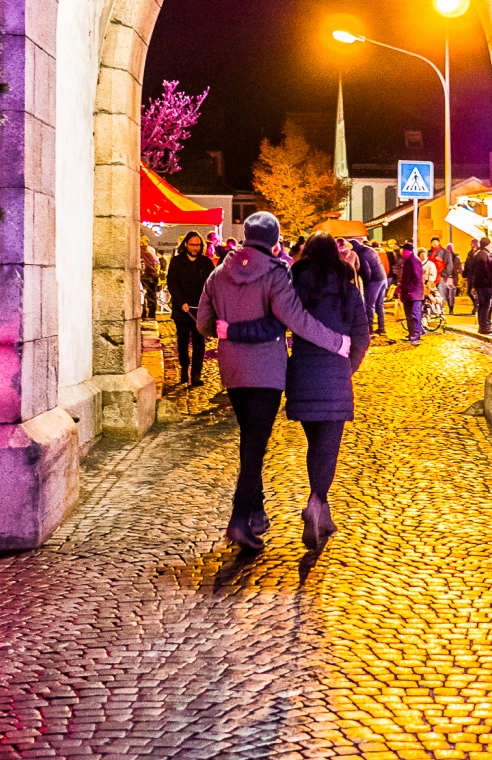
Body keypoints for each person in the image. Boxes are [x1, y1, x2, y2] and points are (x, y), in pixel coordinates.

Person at [196, 212, 350, 552]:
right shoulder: (276, 274)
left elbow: (204, 324)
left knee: (250, 439)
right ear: (274, 239)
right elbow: (296, 319)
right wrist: (336, 342)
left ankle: (256, 510)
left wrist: (229, 328)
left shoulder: (217, 274)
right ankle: (239, 518)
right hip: (267, 371)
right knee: (255, 445)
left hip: (232, 370)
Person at [285, 234, 370, 549]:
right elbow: (362, 335)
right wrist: (348, 367)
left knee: (315, 444)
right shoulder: (348, 289)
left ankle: (324, 511)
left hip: (303, 372)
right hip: (335, 374)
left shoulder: (295, 287)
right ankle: (316, 503)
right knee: (328, 448)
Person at [166, 230, 215, 386]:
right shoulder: (176, 262)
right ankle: (184, 367)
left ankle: (196, 374)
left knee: (199, 343)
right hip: (182, 310)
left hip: (200, 309)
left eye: (198, 245)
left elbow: (211, 285)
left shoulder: (206, 263)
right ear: (186, 244)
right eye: (192, 245)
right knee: (182, 342)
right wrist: (181, 302)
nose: (195, 248)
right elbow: (172, 283)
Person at [351, 239, 388, 336]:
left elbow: (367, 271)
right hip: (383, 278)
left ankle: (370, 329)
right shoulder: (370, 250)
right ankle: (381, 327)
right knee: (380, 304)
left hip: (374, 281)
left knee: (369, 305)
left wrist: (366, 283)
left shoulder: (361, 254)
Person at [396, 241, 424, 343]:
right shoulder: (407, 261)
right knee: (409, 314)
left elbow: (417, 278)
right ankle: (411, 333)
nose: (402, 252)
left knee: (414, 314)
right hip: (409, 293)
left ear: (408, 251)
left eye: (403, 250)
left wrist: (408, 289)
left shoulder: (414, 261)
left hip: (413, 293)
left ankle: (416, 334)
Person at [471, 237, 492, 334]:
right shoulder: (486, 255)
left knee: (482, 305)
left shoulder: (477, 254)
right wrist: (491, 282)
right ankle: (485, 326)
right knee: (486, 305)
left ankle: (482, 326)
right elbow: (489, 271)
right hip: (486, 284)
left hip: (479, 284)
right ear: (487, 244)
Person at [140, 235, 159, 320]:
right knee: (151, 296)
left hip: (146, 276)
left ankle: (145, 314)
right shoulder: (150, 252)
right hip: (152, 276)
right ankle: (151, 315)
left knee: (145, 296)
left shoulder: (144, 253)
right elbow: (156, 263)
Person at [442, 244, 461, 314]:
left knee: (451, 295)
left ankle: (451, 308)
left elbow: (458, 267)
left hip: (452, 278)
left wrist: (458, 272)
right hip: (445, 278)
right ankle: (449, 306)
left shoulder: (455, 257)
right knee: (446, 294)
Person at [464, 238, 481, 317]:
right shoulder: (470, 253)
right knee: (469, 291)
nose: (470, 244)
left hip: (477, 275)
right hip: (470, 275)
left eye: (472, 243)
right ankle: (476, 304)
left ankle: (476, 307)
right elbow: (467, 264)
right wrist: (465, 274)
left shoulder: (479, 252)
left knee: (476, 292)